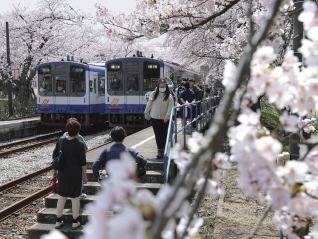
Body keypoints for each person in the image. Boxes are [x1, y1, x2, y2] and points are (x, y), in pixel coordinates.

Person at [52, 120, 87, 230]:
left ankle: (58, 221)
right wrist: (85, 176)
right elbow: (83, 163)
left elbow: (55, 157)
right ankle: (75, 222)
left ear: (67, 130)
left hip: (63, 173)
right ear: (78, 131)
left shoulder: (61, 141)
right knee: (75, 197)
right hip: (75, 174)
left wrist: (55, 172)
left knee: (62, 196)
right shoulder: (80, 144)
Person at [144, 78, 174, 158]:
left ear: (166, 86)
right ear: (158, 86)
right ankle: (160, 150)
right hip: (154, 118)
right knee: (157, 134)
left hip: (165, 119)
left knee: (164, 134)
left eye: (164, 86)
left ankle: (164, 149)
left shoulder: (169, 96)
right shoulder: (154, 94)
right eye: (161, 86)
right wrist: (146, 112)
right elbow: (149, 104)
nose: (162, 88)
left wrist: (167, 116)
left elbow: (170, 107)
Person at [62, 118, 88, 199]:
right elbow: (85, 149)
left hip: (65, 164)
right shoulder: (79, 138)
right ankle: (79, 193)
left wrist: (55, 171)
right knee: (78, 182)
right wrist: (85, 175)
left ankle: (66, 193)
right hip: (76, 165)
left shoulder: (63, 137)